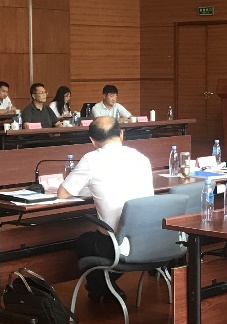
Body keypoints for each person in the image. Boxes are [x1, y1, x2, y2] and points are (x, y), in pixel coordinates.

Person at [57, 117, 154, 300]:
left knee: (84, 242)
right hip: (150, 240)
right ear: (122, 134)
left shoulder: (91, 159)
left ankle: (101, 287)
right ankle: (105, 288)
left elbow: (62, 193)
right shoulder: (141, 158)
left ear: (92, 141)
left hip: (120, 246)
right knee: (97, 238)